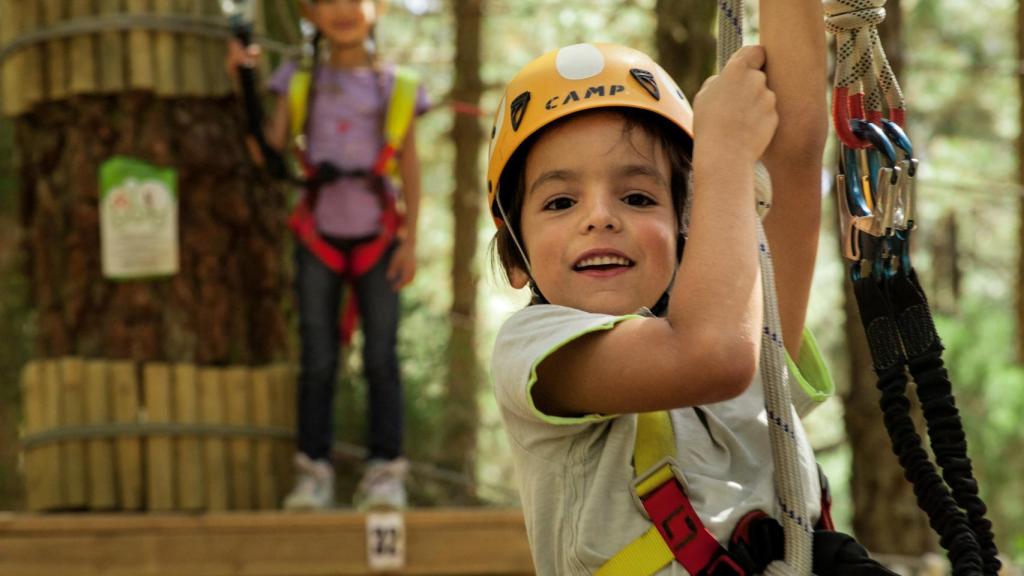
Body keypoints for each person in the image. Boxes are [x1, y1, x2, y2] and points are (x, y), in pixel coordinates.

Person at [486, 7, 899, 575]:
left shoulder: (747, 317)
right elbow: (710, 355)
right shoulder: (533, 350)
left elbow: (794, 148)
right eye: (560, 202)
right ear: (515, 257)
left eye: (637, 197)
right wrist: (723, 152)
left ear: (689, 224)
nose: (600, 218)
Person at [229, 0, 429, 511]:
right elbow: (268, 150)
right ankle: (312, 471)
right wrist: (244, 83)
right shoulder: (298, 80)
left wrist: (411, 240)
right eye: (327, 1)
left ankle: (385, 474)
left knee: (382, 358)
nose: (343, 10)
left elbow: (408, 163)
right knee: (317, 359)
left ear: (379, 8)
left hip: (378, 236)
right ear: (310, 15)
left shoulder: (396, 85)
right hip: (317, 234)